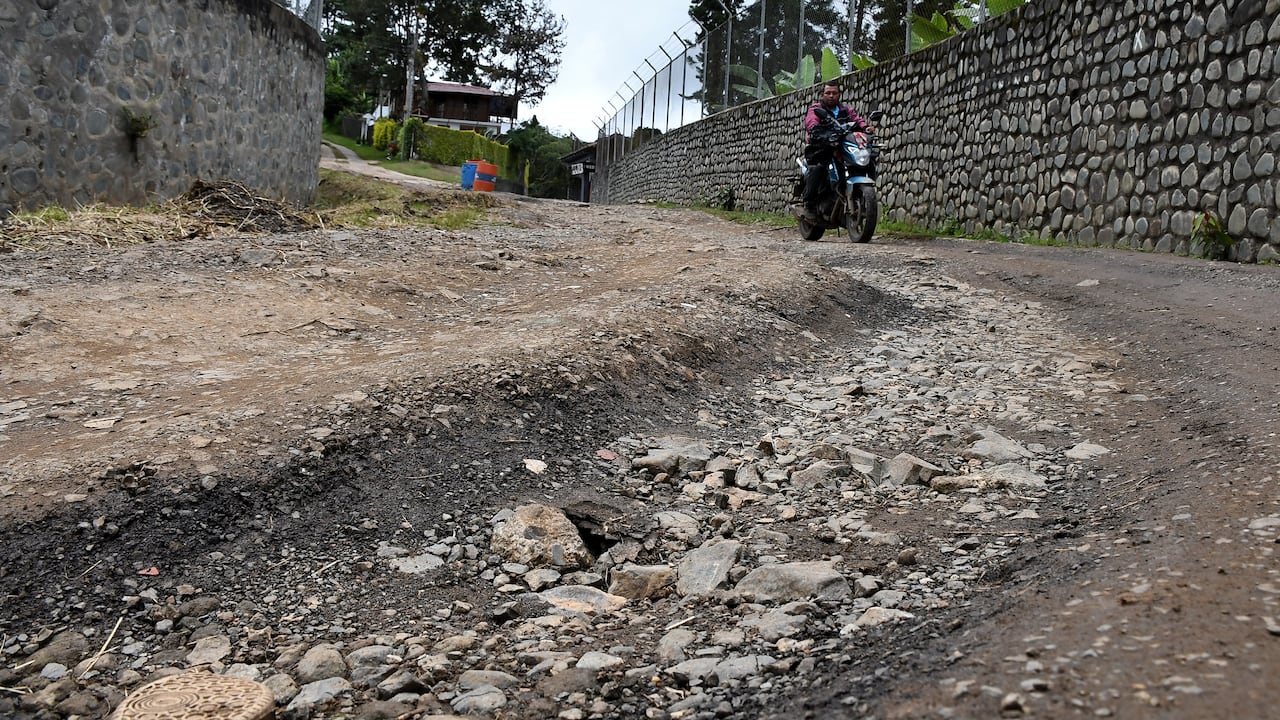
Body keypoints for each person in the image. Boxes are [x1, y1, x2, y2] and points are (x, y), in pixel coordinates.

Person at [801, 81, 874, 220]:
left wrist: (866, 128)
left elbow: (857, 120)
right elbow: (811, 122)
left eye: (834, 93)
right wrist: (816, 131)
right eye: (828, 93)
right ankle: (809, 204)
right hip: (821, 148)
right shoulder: (816, 109)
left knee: (869, 158)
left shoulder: (846, 110)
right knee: (818, 169)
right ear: (822, 95)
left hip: (840, 147)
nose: (831, 96)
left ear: (839, 95)